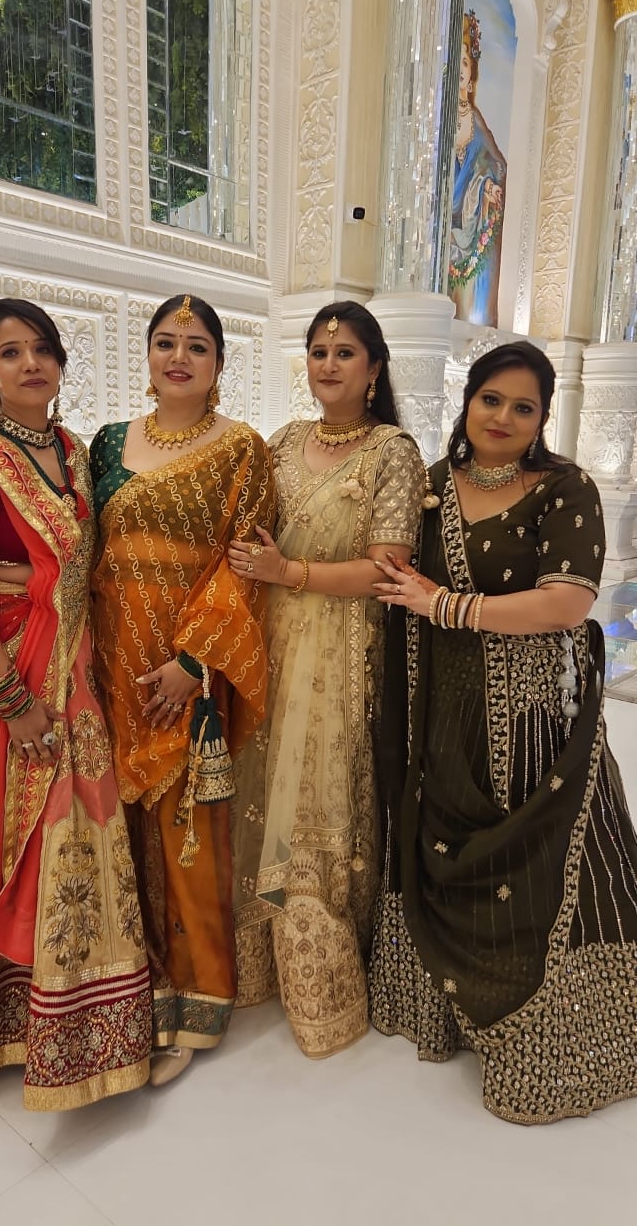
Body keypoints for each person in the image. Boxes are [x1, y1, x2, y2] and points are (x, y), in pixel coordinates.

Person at [370, 340, 637, 1124]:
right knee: (444, 843)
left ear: (543, 418)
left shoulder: (564, 489)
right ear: (468, 401)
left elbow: (566, 604)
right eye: (491, 399)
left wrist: (445, 605)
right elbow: (384, 573)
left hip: (536, 716)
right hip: (442, 705)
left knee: (542, 868)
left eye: (524, 407)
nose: (503, 418)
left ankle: (554, 1029)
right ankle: (447, 1007)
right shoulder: (429, 487)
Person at [0, 298, 152, 1110]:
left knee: (71, 833)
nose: (30, 364)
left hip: (72, 669)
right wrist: (14, 701)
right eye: (10, 352)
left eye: (43, 349)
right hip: (0, 679)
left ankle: (68, 1019)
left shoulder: (76, 454)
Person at [228, 301, 427, 1057]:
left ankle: (325, 987)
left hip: (342, 647)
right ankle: (255, 965)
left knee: (317, 799)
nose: (329, 364)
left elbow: (387, 571)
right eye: (318, 352)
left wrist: (288, 570)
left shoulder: (391, 451)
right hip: (270, 640)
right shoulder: (281, 441)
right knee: (257, 788)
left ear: (374, 369)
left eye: (345, 353)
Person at [89, 293, 275, 1086]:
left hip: (188, 665)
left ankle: (200, 999)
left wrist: (195, 662)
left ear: (220, 364)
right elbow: (83, 550)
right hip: (111, 662)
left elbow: (246, 566)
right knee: (117, 824)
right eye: (166, 342)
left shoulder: (242, 450)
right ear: (148, 354)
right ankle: (134, 989)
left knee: (187, 827)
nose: (179, 357)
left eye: (197, 346)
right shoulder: (107, 443)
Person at [448, 10, 506, 328]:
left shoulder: (475, 120)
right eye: (455, 62)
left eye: (465, 62)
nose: (460, 68)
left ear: (472, 74)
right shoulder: (439, 117)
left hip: (469, 220)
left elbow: (497, 162)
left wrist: (487, 186)